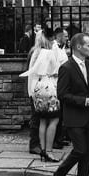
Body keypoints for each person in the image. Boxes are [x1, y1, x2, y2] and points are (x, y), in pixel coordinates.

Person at [53, 33, 89, 176]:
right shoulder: (66, 68)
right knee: (80, 150)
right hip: (74, 117)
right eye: (88, 45)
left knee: (87, 153)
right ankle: (60, 173)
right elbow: (62, 94)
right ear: (79, 47)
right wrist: (83, 101)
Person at [22, 31, 65, 162]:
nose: (54, 43)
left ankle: (42, 149)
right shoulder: (49, 53)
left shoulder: (36, 52)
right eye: (52, 40)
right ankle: (49, 151)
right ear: (49, 40)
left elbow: (32, 72)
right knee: (54, 120)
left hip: (37, 88)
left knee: (41, 120)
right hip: (49, 88)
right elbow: (57, 71)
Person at [25, 28, 52, 155]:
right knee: (36, 117)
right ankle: (34, 144)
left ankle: (38, 144)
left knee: (39, 117)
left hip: (35, 87)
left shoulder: (35, 52)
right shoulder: (39, 53)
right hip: (38, 88)